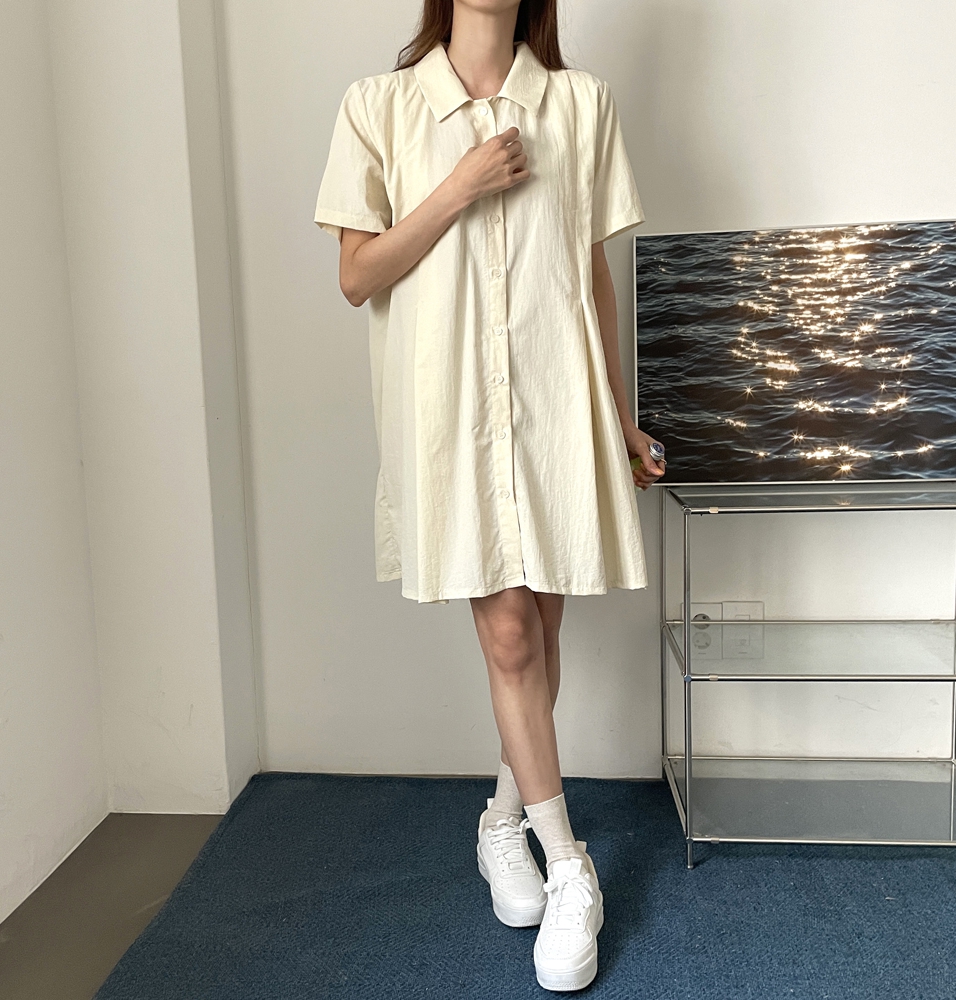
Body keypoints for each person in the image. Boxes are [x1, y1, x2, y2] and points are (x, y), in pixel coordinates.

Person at [314, 0, 665, 991]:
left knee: (539, 632)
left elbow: (591, 276)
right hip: (451, 415)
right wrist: (458, 187)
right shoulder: (379, 106)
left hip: (556, 407)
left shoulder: (580, 105)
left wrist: (620, 413)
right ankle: (572, 867)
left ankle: (502, 818)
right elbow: (356, 275)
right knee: (510, 633)